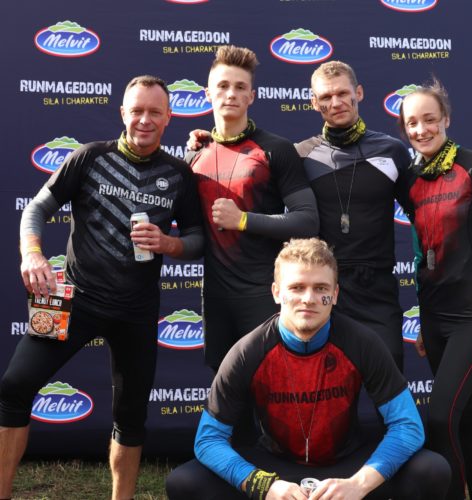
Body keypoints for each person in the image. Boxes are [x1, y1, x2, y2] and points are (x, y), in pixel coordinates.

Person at [0, 75, 203, 500]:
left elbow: (198, 239)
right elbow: (36, 209)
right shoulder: (89, 156)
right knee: (13, 388)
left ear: (169, 117)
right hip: (70, 296)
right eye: (137, 111)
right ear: (123, 113)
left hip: (136, 310)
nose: (144, 120)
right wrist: (33, 254)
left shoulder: (179, 174)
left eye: (154, 112)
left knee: (131, 416)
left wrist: (169, 244)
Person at [165, 238, 451, 500]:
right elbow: (208, 440)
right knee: (184, 482)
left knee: (432, 469)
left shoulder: (362, 342)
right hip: (277, 470)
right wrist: (263, 486)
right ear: (277, 292)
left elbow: (407, 426)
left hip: (346, 468)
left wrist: (359, 484)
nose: (309, 299)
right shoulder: (247, 352)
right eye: (297, 288)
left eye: (321, 288)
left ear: (335, 294)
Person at [189, 60, 410, 371]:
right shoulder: (301, 153)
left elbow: (422, 215)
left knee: (388, 383)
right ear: (314, 103)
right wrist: (208, 142)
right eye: (326, 97)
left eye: (343, 94)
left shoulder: (392, 151)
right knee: (324, 388)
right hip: (320, 288)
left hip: (377, 291)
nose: (336, 102)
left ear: (358, 93)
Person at [187, 45, 319, 372]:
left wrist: (243, 220)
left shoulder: (276, 149)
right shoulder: (195, 154)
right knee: (225, 389)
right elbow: (191, 232)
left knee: (271, 387)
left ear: (252, 96)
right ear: (208, 94)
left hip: (264, 295)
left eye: (240, 87)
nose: (231, 94)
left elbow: (307, 221)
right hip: (216, 299)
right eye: (222, 86)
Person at [399, 79, 472, 500]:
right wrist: (424, 320)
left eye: (429, 119)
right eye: (412, 123)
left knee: (440, 419)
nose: (421, 129)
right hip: (435, 318)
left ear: (446, 119)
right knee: (468, 414)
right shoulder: (410, 181)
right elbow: (421, 254)